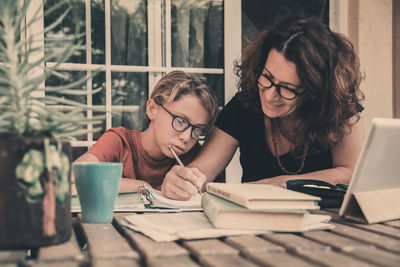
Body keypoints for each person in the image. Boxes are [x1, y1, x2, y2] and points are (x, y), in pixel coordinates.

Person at [162, 17, 365, 200]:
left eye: (287, 88)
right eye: (267, 77)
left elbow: (350, 173)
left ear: (315, 92)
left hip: (329, 223)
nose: (269, 96)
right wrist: (183, 180)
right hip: (256, 225)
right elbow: (203, 171)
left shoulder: (338, 108)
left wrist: (278, 184)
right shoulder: (244, 105)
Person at [73, 70, 218, 196]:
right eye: (180, 121)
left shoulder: (195, 157)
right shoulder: (119, 142)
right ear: (152, 109)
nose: (186, 137)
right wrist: (143, 186)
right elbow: (73, 178)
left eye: (197, 129)